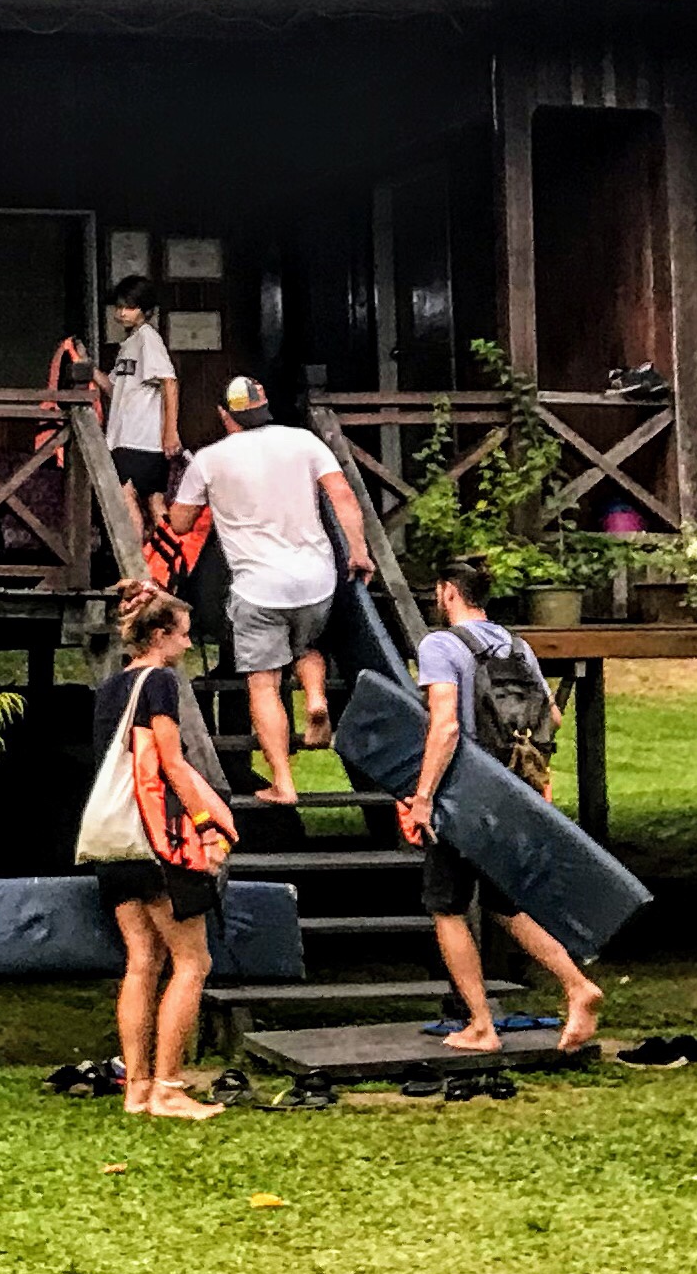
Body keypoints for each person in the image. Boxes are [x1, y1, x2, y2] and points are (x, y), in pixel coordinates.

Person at [403, 557, 607, 1053]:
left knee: (446, 907)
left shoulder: (440, 645)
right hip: (512, 791)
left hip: (464, 792)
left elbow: (446, 726)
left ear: (449, 592)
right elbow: (551, 718)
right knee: (504, 904)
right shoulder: (518, 646)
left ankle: (480, 1025)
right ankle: (577, 986)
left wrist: (423, 798)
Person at [167, 377, 376, 802]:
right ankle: (316, 698)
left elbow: (181, 523)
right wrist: (358, 552)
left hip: (258, 588)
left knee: (263, 682)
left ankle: (282, 781)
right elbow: (343, 495)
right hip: (316, 580)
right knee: (308, 645)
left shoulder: (209, 460)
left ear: (226, 416)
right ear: (265, 406)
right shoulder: (304, 442)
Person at [90, 592, 230, 1120]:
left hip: (113, 839)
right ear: (158, 636)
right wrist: (207, 825)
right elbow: (169, 763)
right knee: (192, 960)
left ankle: (137, 1088)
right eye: (182, 633)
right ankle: (169, 1088)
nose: (189, 643)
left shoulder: (110, 688)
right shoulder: (161, 683)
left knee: (140, 962)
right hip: (156, 841)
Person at [99, 284, 179, 514]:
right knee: (153, 501)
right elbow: (114, 388)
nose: (122, 313)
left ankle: (132, 552)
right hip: (126, 437)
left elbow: (169, 382)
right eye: (119, 307)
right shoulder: (130, 343)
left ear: (145, 310)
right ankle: (165, 549)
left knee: (127, 496)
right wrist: (87, 366)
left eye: (130, 307)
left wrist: (170, 432)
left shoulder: (148, 338)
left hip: (141, 436)